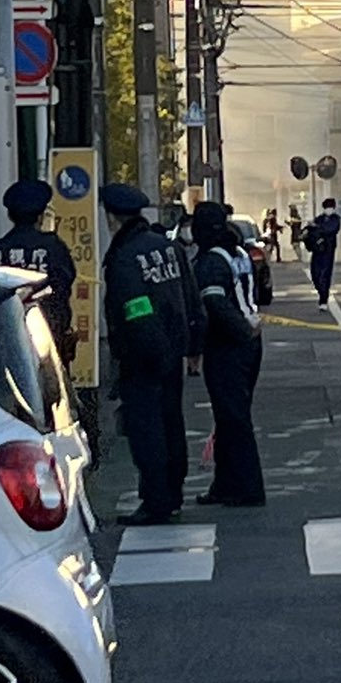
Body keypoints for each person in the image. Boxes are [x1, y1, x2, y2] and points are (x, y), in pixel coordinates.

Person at [100, 182, 204, 526]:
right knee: (171, 422)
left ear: (112, 217)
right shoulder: (167, 247)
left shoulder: (125, 256)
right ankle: (172, 492)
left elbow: (135, 307)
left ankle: (155, 500)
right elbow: (189, 295)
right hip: (172, 352)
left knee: (147, 430)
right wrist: (192, 345)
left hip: (143, 356)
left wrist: (140, 350)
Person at [189, 200, 266, 508]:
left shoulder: (211, 261)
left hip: (228, 344)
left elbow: (215, 304)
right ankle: (224, 484)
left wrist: (237, 332)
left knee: (233, 418)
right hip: (250, 341)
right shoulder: (240, 254)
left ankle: (247, 488)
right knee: (228, 416)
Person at [0, 180, 79, 370]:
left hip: (4, 343)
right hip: (49, 339)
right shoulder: (53, 248)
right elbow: (65, 285)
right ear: (41, 215)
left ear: (10, 214)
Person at [303, 198, 341, 306]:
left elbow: (330, 229)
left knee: (325, 274)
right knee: (315, 274)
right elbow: (311, 230)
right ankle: (321, 291)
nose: (329, 209)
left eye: (331, 207)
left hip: (328, 251)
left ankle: (323, 299)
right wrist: (307, 229)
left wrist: (316, 228)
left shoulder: (335, 219)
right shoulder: (319, 219)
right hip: (317, 250)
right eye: (327, 207)